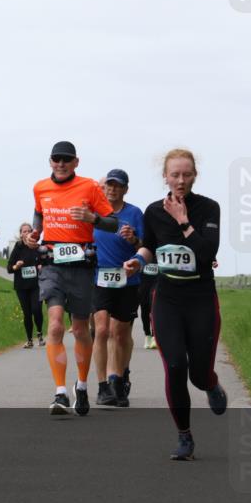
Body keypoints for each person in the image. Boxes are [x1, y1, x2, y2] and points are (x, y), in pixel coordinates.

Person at [123, 148, 226, 460]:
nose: (180, 180)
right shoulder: (154, 211)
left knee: (198, 373)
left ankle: (211, 384)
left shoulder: (209, 208)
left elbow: (207, 253)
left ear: (195, 176)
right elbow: (150, 247)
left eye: (186, 174)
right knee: (176, 366)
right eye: (175, 175)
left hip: (201, 299)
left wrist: (183, 220)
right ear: (165, 177)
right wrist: (137, 261)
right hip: (167, 299)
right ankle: (184, 436)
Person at [24, 141, 117, 416]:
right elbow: (38, 215)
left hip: (82, 265)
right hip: (52, 264)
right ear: (50, 161)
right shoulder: (40, 187)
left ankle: (82, 385)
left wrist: (92, 218)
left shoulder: (89, 187)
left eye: (66, 160)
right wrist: (32, 235)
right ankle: (60, 393)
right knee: (54, 327)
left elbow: (113, 223)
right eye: (56, 159)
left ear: (76, 162)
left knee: (79, 330)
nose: (61, 164)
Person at [90, 169, 144, 408]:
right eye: (108, 185)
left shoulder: (134, 213)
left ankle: (120, 379)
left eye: (117, 186)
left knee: (120, 333)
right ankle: (104, 387)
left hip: (127, 279)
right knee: (102, 330)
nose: (112, 189)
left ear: (125, 189)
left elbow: (146, 246)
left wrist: (133, 239)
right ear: (103, 188)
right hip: (98, 277)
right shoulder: (93, 212)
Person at [6, 223, 44, 348]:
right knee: (27, 313)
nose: (27, 233)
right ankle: (29, 340)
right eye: (24, 231)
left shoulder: (36, 247)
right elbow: (9, 268)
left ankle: (39, 333)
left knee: (36, 309)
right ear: (21, 234)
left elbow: (44, 260)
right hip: (21, 286)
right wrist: (16, 266)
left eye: (29, 231)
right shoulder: (18, 247)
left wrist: (41, 265)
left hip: (36, 285)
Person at [138, 260, 159, 349]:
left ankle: (154, 336)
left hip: (157, 279)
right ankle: (147, 335)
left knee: (154, 307)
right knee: (144, 307)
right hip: (143, 279)